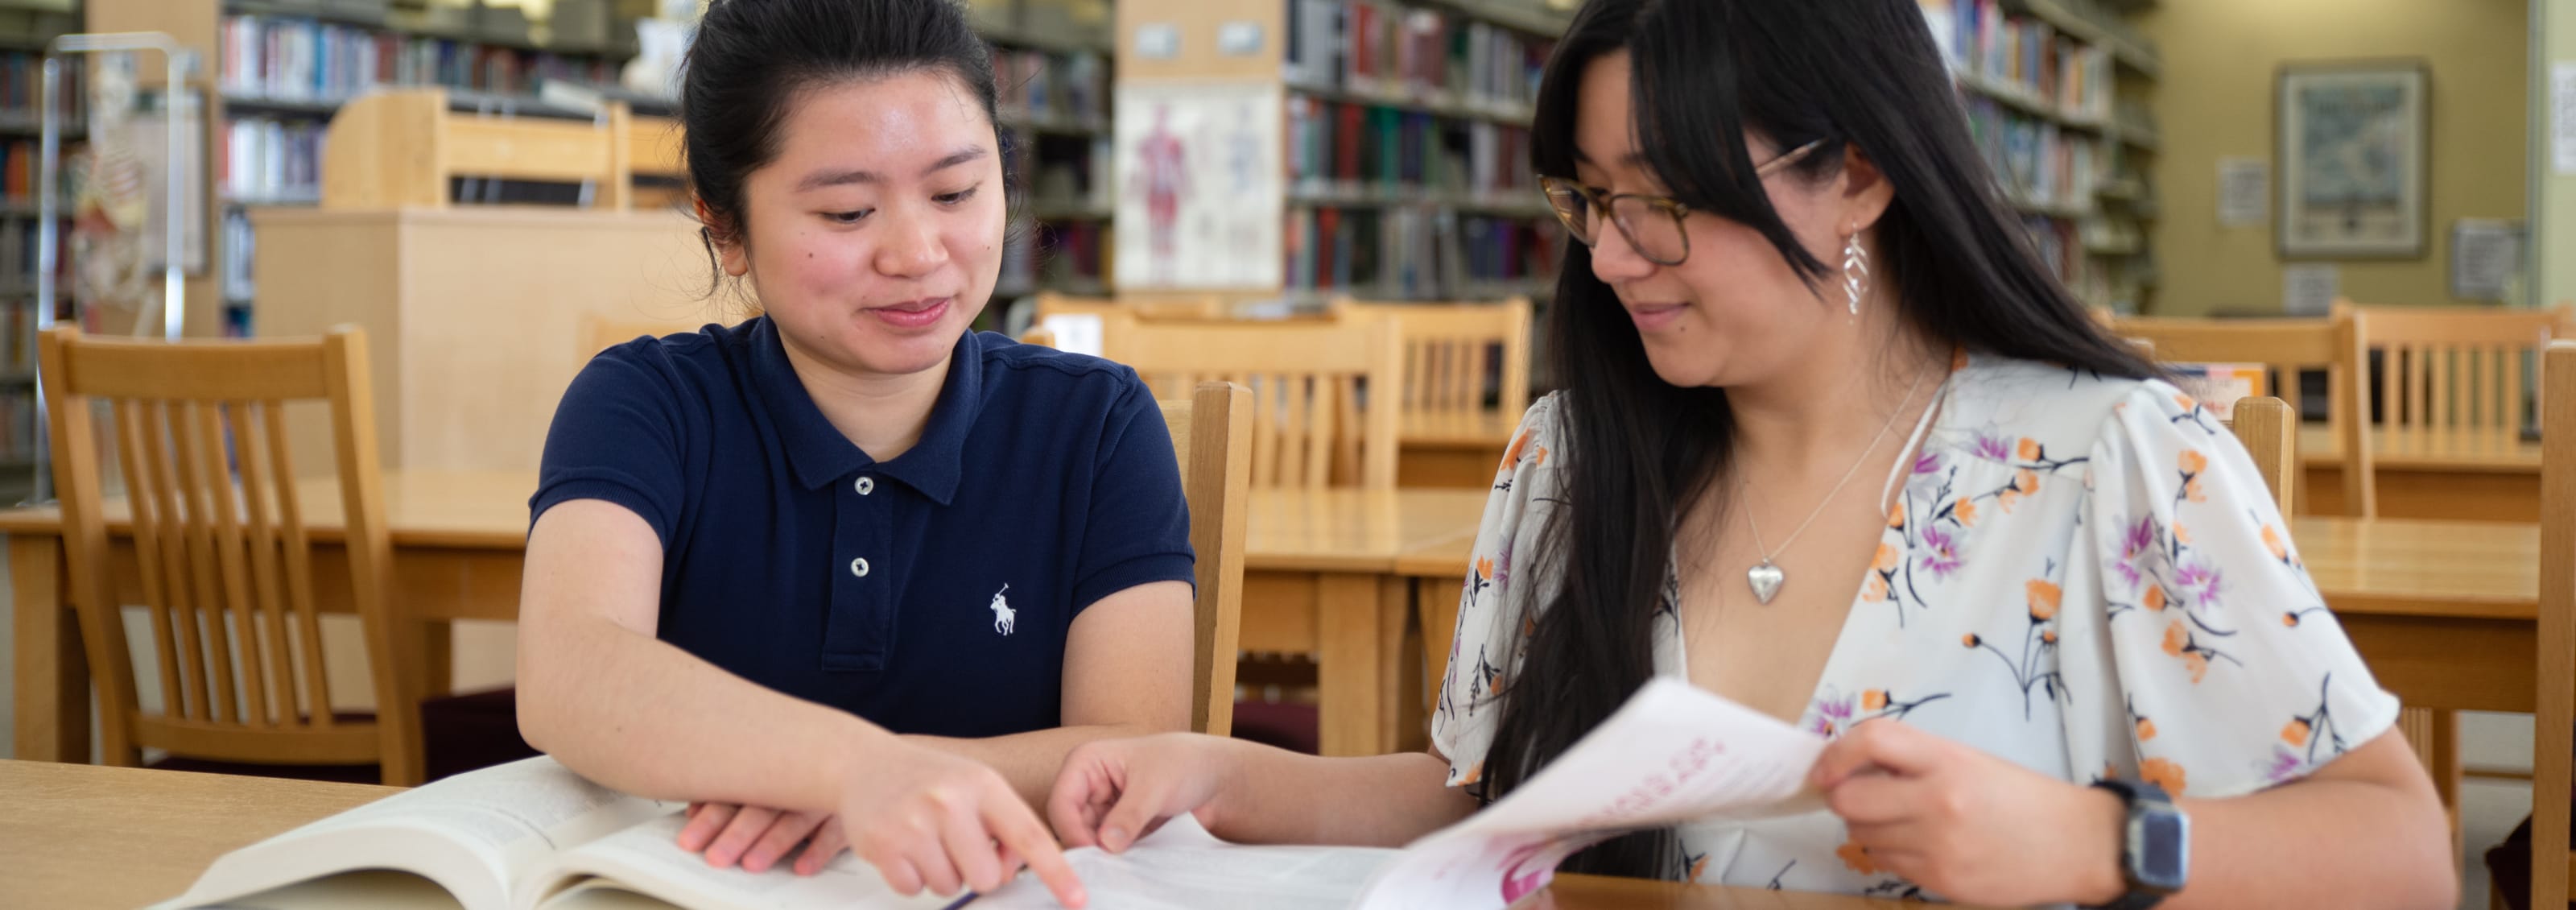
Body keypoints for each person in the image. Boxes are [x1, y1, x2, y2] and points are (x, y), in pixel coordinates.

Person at [1045, 1, 2455, 906]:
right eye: (1588, 200)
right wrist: (1223, 776)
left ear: (1857, 175)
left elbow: (2402, 852)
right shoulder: (1568, 462)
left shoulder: (2115, 464)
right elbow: (1488, 795)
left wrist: (2093, 848)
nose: (1607, 257)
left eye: (1660, 201)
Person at [516, 1, 1202, 905]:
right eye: (846, 211)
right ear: (724, 228)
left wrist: (874, 781)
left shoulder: (1097, 425)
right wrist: (848, 770)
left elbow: (1127, 760)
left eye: (955, 193)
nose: (917, 253)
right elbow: (570, 669)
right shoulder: (646, 403)